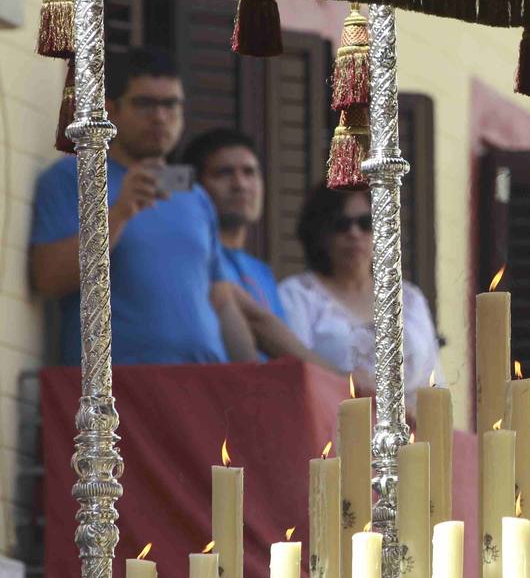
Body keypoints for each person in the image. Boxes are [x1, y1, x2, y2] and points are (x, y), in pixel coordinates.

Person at [29, 48, 316, 367]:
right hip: (120, 387)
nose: (160, 116)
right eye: (145, 104)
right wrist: (120, 213)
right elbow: (47, 279)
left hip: (200, 386)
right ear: (111, 110)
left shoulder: (192, 194)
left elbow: (220, 299)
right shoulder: (73, 177)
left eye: (171, 104)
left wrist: (250, 380)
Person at [279, 183, 438, 402]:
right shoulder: (298, 295)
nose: (354, 234)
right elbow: (295, 372)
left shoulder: (410, 299)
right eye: (341, 225)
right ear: (320, 233)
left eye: (366, 223)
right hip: (331, 429)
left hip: (411, 431)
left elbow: (435, 380)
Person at [182, 128, 286, 321]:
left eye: (249, 172)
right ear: (195, 186)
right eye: (224, 173)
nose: (240, 184)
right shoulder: (188, 259)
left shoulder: (262, 272)